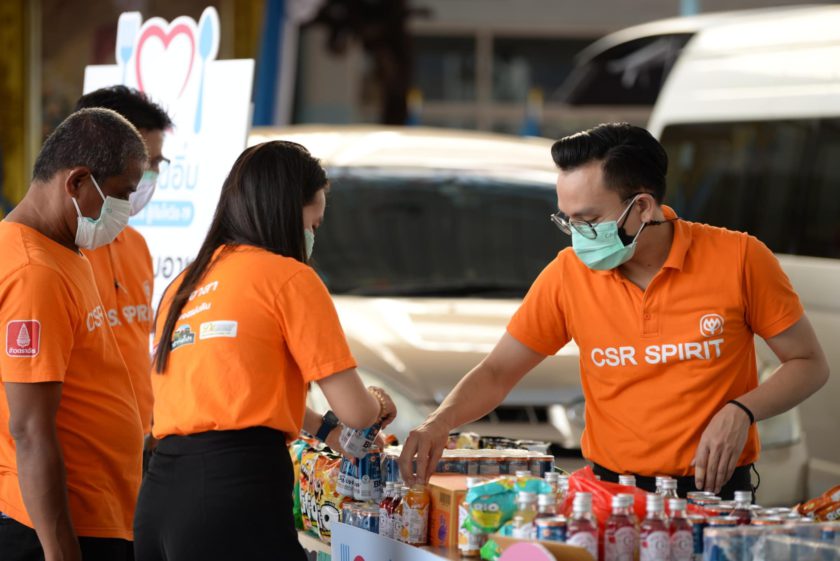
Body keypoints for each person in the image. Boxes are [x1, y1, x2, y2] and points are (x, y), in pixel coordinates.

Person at [399, 123, 829, 499]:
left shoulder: (739, 258)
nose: (578, 237)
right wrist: (439, 422)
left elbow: (809, 364)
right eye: (568, 221)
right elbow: (498, 372)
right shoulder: (567, 274)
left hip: (714, 495)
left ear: (641, 207)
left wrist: (742, 411)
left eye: (589, 221)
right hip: (609, 495)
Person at [133, 140, 398, 561]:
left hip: (160, 498)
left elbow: (235, 390)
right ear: (287, 213)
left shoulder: (185, 284)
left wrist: (324, 430)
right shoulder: (290, 278)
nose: (312, 237)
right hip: (234, 493)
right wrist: (378, 403)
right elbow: (357, 411)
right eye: (313, 225)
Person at [0, 108, 148, 561]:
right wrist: (61, 550)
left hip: (95, 514)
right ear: (77, 181)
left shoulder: (63, 252)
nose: (125, 210)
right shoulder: (33, 273)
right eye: (121, 194)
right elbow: (30, 429)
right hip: (59, 528)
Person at [74, 86, 173, 466]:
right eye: (146, 162)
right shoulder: (50, 250)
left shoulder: (137, 246)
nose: (151, 175)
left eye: (158, 163)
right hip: (77, 460)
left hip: (139, 450)